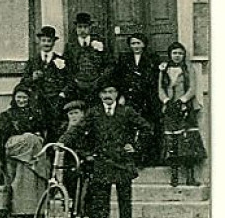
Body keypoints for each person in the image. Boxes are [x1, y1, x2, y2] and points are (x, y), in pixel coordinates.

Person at [82, 76, 152, 218]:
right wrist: (62, 143)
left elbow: (146, 128)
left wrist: (135, 146)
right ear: (99, 95)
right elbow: (77, 131)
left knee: (125, 205)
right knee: (100, 206)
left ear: (117, 94)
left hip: (122, 164)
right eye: (104, 92)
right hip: (102, 164)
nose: (108, 95)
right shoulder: (94, 112)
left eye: (111, 92)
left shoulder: (126, 111)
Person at [0, 83, 48, 218]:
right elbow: (3, 139)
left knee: (35, 189)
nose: (22, 100)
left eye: (25, 97)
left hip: (33, 161)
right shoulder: (7, 116)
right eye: (19, 97)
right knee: (18, 187)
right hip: (16, 160)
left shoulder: (36, 114)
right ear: (14, 98)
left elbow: (42, 134)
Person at [159, 42, 207, 187]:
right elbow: (160, 89)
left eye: (180, 53)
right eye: (174, 53)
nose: (177, 56)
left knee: (188, 142)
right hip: (170, 109)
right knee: (172, 141)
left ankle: (190, 177)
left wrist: (182, 101)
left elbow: (192, 88)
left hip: (185, 107)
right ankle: (174, 176)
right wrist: (167, 101)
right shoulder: (164, 70)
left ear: (183, 55)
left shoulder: (188, 69)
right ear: (170, 55)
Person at [114, 32, 162, 165]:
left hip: (147, 98)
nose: (135, 46)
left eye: (138, 43)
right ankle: (131, 157)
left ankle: (147, 157)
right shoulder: (124, 58)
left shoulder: (152, 58)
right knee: (129, 125)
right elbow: (120, 78)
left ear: (144, 44)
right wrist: (121, 95)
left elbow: (154, 78)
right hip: (130, 97)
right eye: (133, 43)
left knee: (146, 126)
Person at [22, 26, 69, 142]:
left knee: (55, 133)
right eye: (44, 40)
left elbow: (69, 81)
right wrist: (32, 78)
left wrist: (62, 94)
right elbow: (23, 81)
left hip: (55, 103)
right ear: (39, 42)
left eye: (49, 41)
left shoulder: (60, 60)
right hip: (38, 103)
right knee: (38, 133)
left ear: (53, 43)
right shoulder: (33, 61)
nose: (46, 44)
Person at [57, 99, 93, 218]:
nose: (73, 117)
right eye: (71, 114)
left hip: (84, 165)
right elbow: (60, 143)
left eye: (76, 113)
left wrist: (86, 155)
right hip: (69, 166)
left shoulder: (88, 128)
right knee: (69, 195)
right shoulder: (65, 128)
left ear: (83, 114)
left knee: (84, 196)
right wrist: (69, 130)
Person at [63, 12, 109, 107]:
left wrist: (100, 79)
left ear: (90, 28)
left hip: (97, 85)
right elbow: (66, 66)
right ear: (76, 28)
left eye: (85, 27)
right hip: (77, 86)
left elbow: (110, 63)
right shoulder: (70, 46)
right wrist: (74, 80)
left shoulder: (100, 43)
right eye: (80, 27)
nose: (83, 30)